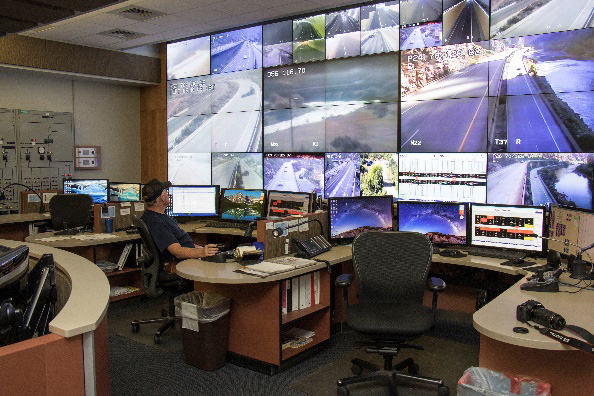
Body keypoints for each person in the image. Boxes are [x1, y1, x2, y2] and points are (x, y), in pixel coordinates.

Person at [140, 179, 218, 261]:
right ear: (162, 198)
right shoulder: (157, 222)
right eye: (166, 191)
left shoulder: (153, 215)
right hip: (180, 263)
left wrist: (201, 249)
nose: (168, 194)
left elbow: (181, 242)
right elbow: (177, 252)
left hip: (187, 257)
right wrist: (202, 252)